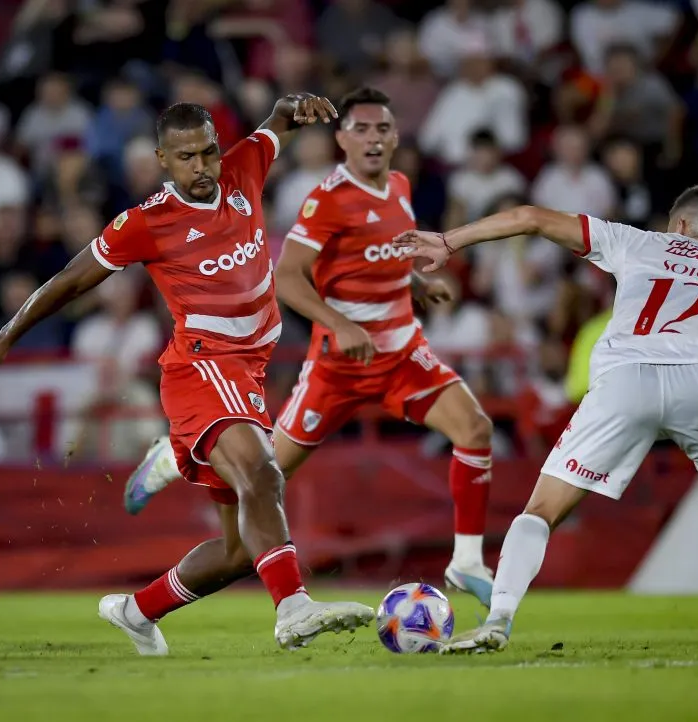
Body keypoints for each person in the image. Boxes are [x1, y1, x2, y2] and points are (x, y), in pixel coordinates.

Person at [0, 95, 375, 654]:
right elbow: (72, 279)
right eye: (186, 157)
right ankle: (293, 609)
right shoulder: (145, 223)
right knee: (264, 476)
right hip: (203, 366)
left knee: (242, 549)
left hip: (249, 370)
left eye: (208, 153)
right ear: (162, 160)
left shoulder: (245, 167)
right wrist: (6, 335)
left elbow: (277, 122)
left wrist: (292, 104)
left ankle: (136, 610)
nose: (201, 167)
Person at [392, 183, 698, 655]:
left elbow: (531, 216)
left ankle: (498, 621)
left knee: (541, 511)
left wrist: (450, 240)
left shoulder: (636, 241)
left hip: (624, 382)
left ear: (678, 225)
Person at [123, 88, 498, 607]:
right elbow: (290, 279)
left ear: (396, 138)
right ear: (341, 139)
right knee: (262, 478)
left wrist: (412, 282)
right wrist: (339, 323)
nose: (373, 139)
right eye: (361, 130)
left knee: (475, 428)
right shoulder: (327, 199)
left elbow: (373, 255)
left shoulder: (399, 187)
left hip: (401, 351)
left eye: (383, 129)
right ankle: (173, 456)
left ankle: (467, 561)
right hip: (339, 365)